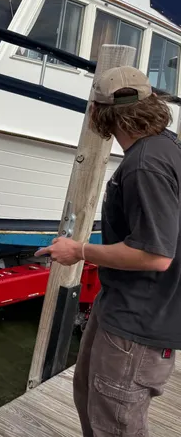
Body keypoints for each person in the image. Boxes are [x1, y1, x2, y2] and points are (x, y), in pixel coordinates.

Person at [36, 65, 179, 436]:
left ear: (100, 113)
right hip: (125, 306)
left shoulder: (144, 166)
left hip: (138, 322)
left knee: (115, 422)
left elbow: (156, 255)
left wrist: (79, 250)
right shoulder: (167, 145)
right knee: (89, 395)